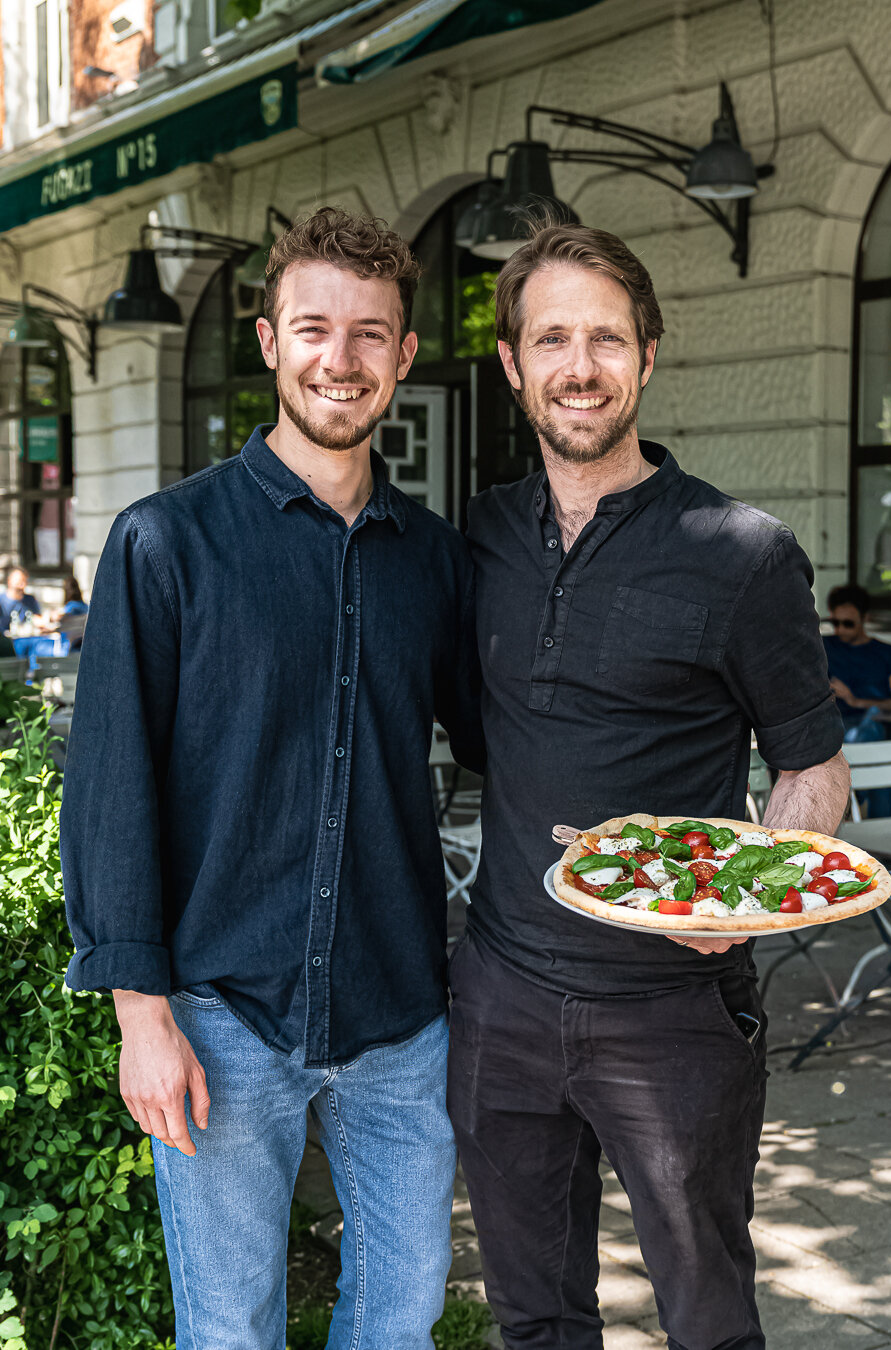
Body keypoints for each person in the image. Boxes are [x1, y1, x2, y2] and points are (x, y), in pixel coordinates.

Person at [61, 208, 483, 1350]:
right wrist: (137, 1011)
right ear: (268, 343)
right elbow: (108, 786)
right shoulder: (166, 543)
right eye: (314, 328)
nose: (338, 358)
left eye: (368, 335)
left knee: (400, 1318)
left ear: (402, 357)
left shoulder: (435, 560)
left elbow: (506, 737)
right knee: (231, 1329)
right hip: (218, 1017)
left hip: (401, 1017)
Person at [449, 219, 850, 1350]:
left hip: (674, 1012)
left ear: (649, 357)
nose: (581, 367)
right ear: (514, 365)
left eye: (608, 340)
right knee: (532, 1319)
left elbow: (814, 771)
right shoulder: (478, 538)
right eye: (554, 340)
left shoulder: (743, 552)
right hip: (501, 993)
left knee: (709, 1320)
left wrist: (750, 900)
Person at [824, 583, 891, 817]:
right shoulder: (823, 647)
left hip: (873, 728)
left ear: (865, 619)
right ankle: (861, 792)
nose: (841, 629)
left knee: (871, 725)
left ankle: (855, 792)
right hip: (835, 731)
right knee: (878, 762)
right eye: (835, 623)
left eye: (849, 623)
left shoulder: (886, 653)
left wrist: (856, 701)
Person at [0, 566, 41, 631]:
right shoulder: (1, 601)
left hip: (27, 638)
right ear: (9, 581)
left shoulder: (30, 600)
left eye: (24, 581)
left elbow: (38, 620)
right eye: (19, 580)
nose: (22, 584)